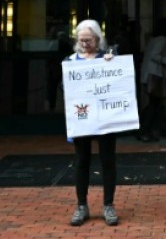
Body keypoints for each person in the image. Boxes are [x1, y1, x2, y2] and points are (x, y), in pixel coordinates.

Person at [67, 19, 119, 227]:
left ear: (98, 39)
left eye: (88, 40)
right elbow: (65, 87)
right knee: (82, 161)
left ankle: (108, 205)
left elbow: (118, 82)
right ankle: (81, 205)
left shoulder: (107, 58)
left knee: (108, 162)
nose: (85, 44)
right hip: (82, 119)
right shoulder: (71, 60)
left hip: (105, 118)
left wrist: (112, 63)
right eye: (81, 40)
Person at [137, 17, 166, 142]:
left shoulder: (153, 39)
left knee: (153, 104)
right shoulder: (162, 40)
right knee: (154, 105)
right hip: (156, 76)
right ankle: (145, 130)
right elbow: (155, 56)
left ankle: (148, 130)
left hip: (148, 75)